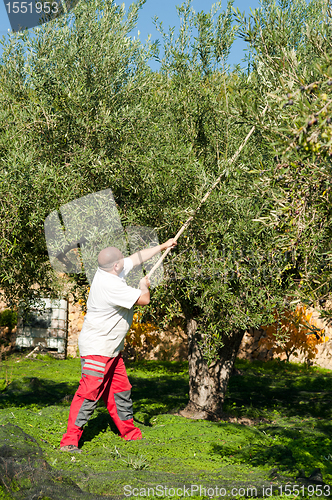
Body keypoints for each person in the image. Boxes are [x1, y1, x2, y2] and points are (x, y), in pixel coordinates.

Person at [60, 238, 177, 452]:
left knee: (120, 391)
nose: (125, 261)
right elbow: (144, 300)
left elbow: (136, 258)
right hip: (98, 350)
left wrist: (163, 246)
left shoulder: (108, 271)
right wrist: (143, 286)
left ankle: (130, 434)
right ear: (115, 265)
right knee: (88, 393)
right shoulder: (110, 285)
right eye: (121, 260)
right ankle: (69, 441)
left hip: (111, 349)